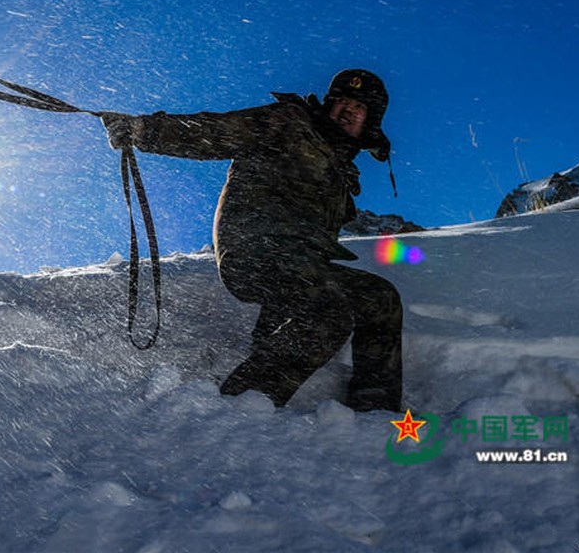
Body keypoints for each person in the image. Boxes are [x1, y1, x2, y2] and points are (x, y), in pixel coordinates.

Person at [101, 69, 402, 412]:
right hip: (253, 250)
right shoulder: (289, 122)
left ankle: (375, 405)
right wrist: (145, 131)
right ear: (330, 103)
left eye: (360, 107)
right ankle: (240, 405)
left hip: (300, 264)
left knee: (379, 297)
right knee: (329, 311)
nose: (349, 109)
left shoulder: (339, 167)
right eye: (343, 101)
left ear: (370, 120)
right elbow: (217, 132)